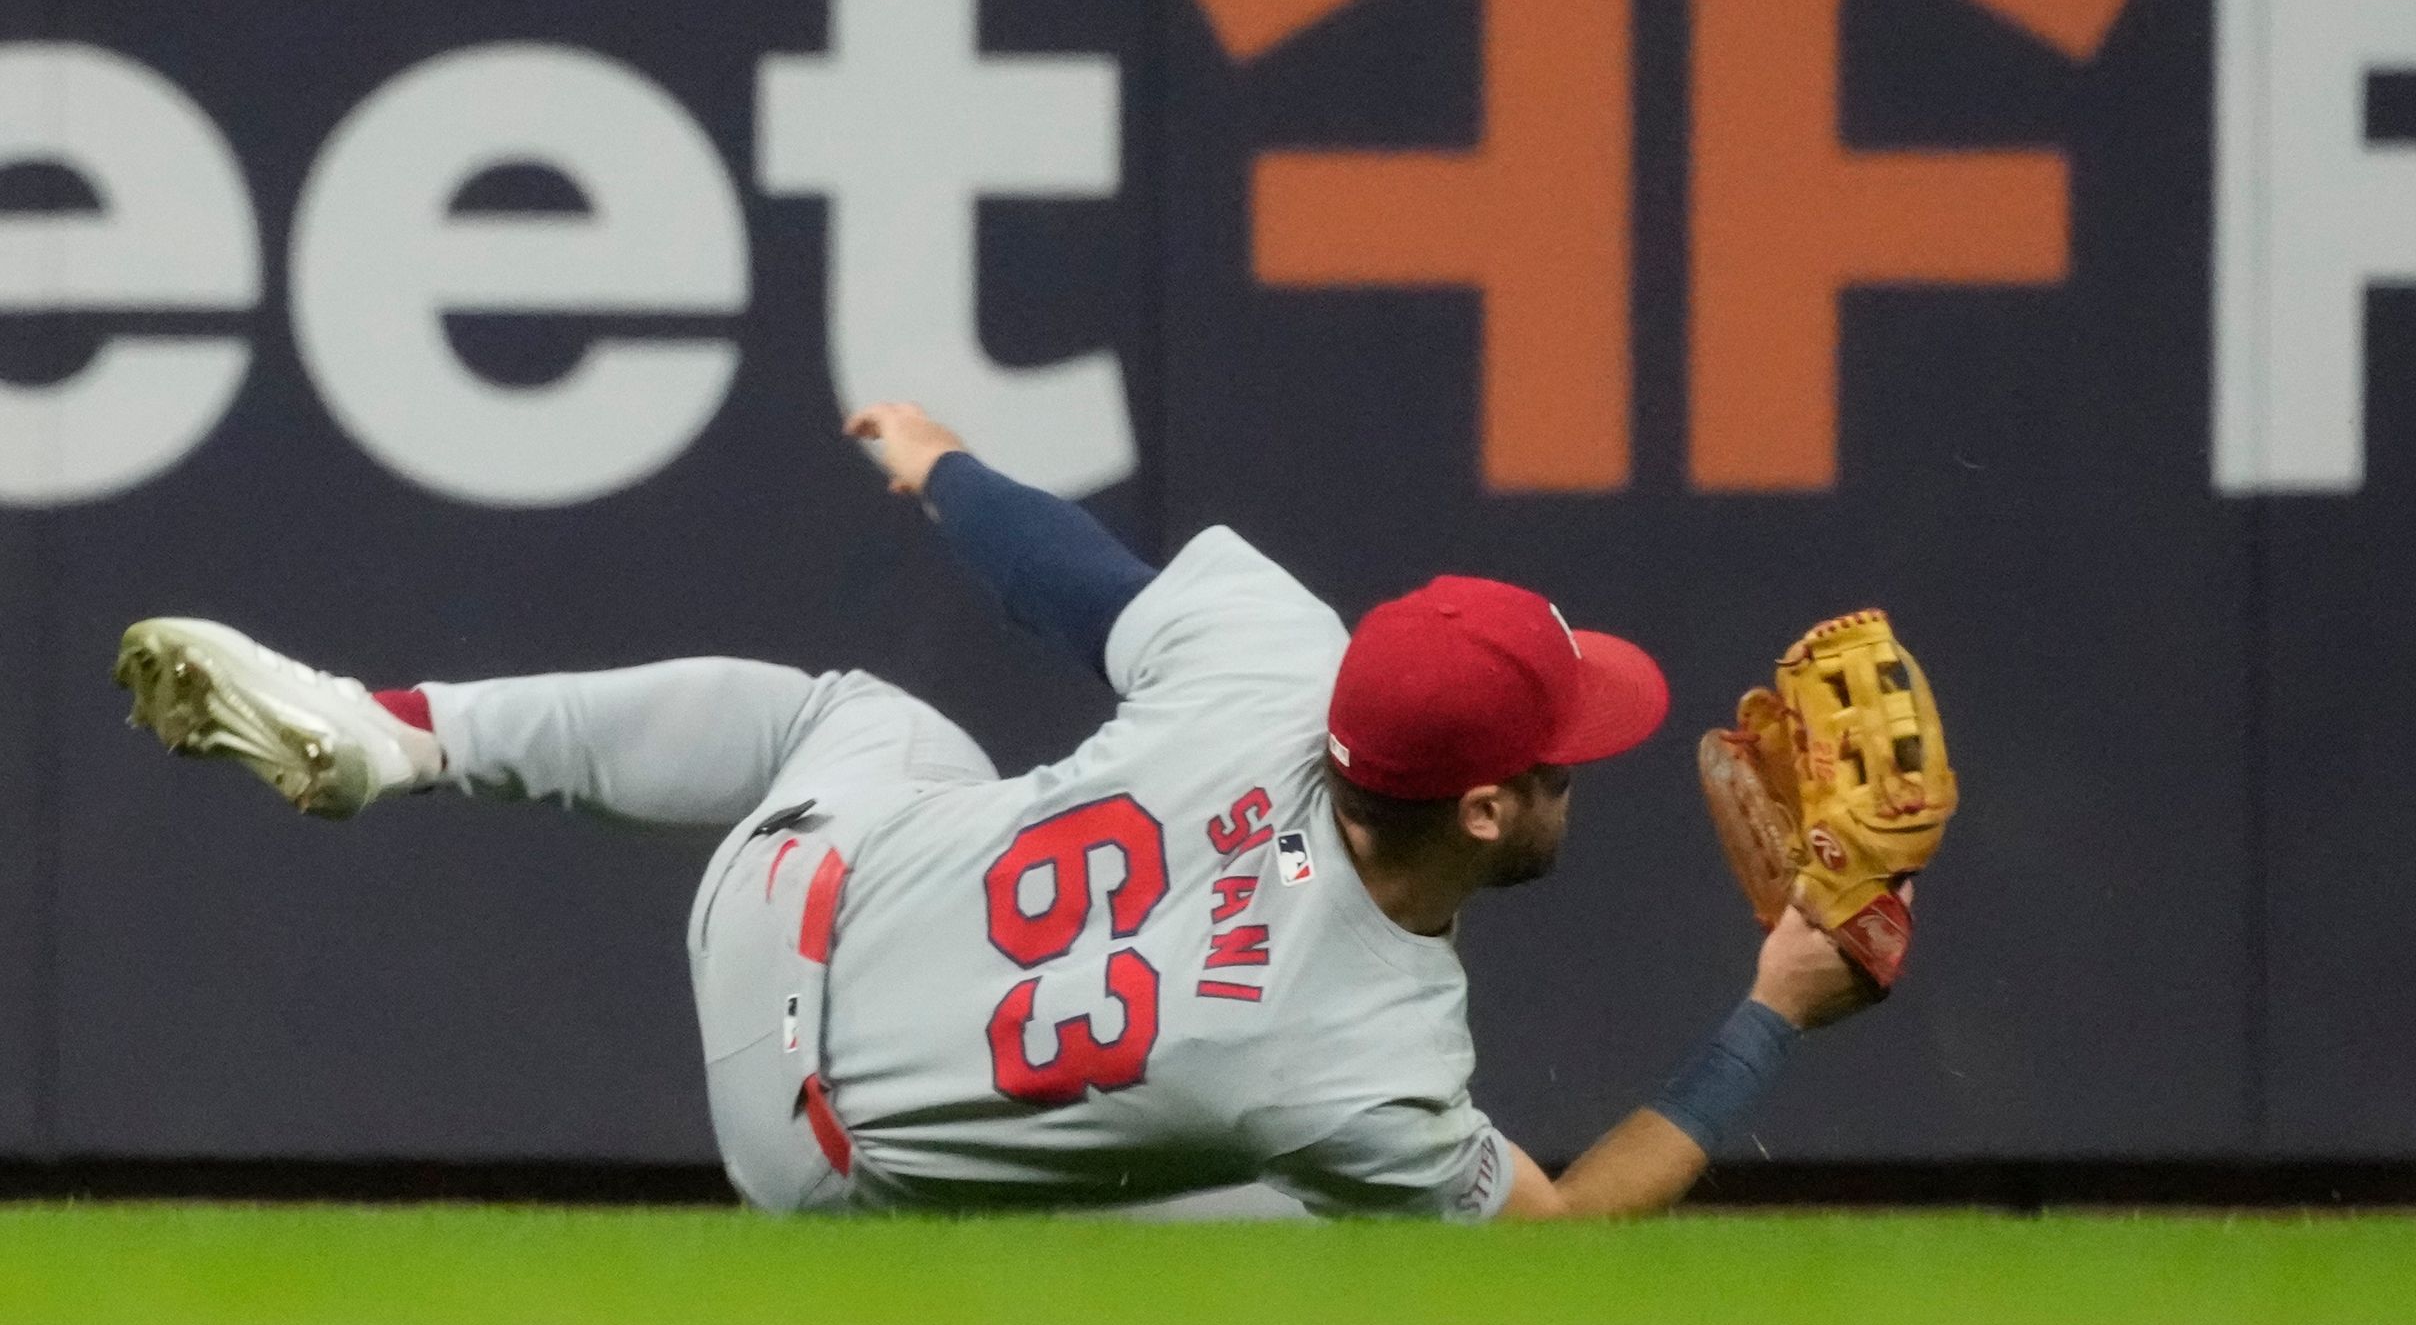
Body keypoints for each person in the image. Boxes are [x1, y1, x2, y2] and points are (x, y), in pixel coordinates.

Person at [111, 399, 1877, 1219]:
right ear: (1482, 813)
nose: (1589, 760)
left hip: (776, 915)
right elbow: (1557, 1241)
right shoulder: (1364, 1066)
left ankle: (397, 733)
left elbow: (1072, 579)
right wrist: (1774, 1012)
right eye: (1562, 749)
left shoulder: (1286, 669)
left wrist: (936, 463)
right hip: (819, 1177)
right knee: (1347, 1219)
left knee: (847, 719)